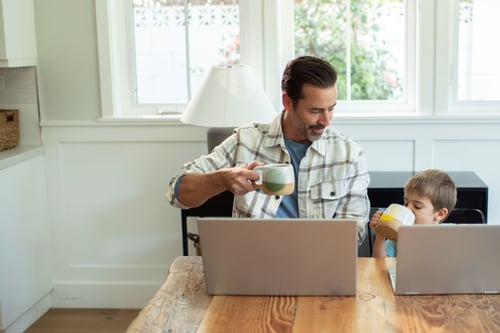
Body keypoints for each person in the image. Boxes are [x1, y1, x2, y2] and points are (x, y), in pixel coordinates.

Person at [166, 56, 371, 243]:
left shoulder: (348, 155)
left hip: (318, 267)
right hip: (254, 266)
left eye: (331, 108)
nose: (326, 121)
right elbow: (177, 192)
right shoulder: (246, 141)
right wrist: (222, 179)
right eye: (315, 111)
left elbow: (355, 232)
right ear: (287, 102)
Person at [370, 169, 457, 257]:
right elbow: (380, 264)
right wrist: (381, 233)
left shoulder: (453, 236)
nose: (407, 208)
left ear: (440, 214)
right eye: (406, 203)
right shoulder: (399, 233)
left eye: (417, 206)